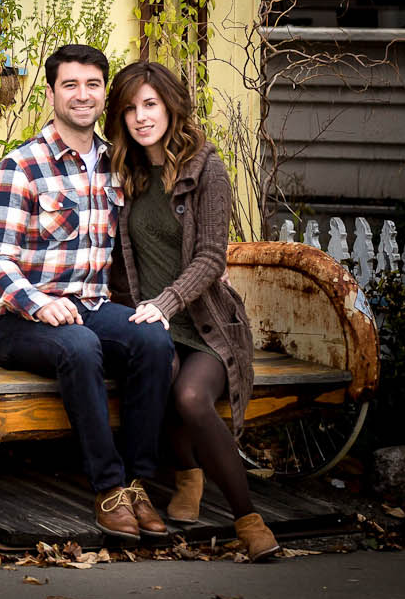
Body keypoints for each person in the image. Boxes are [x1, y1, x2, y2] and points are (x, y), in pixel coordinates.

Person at [0, 45, 174, 541]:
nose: (82, 95)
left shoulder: (117, 165)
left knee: (152, 342)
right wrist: (40, 304)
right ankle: (108, 488)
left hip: (91, 308)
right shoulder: (21, 167)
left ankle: (137, 482)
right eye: (70, 85)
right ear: (50, 94)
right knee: (81, 347)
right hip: (20, 319)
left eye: (92, 85)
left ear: (103, 92)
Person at [103, 60, 280, 562]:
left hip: (204, 323)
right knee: (156, 371)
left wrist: (165, 304)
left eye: (151, 105)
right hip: (148, 322)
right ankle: (187, 472)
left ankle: (247, 519)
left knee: (190, 396)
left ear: (170, 106)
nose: (141, 117)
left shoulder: (207, 166)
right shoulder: (126, 174)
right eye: (131, 108)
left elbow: (210, 257)